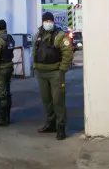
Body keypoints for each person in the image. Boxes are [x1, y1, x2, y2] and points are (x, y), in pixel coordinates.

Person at [33, 12, 74, 140]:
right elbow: (35, 50)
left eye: (50, 21)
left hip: (55, 72)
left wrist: (62, 70)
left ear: (53, 21)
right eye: (46, 21)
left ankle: (61, 127)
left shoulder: (60, 35)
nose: (48, 23)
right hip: (41, 72)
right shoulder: (38, 34)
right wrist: (35, 66)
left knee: (58, 100)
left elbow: (68, 54)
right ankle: (50, 123)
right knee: (47, 100)